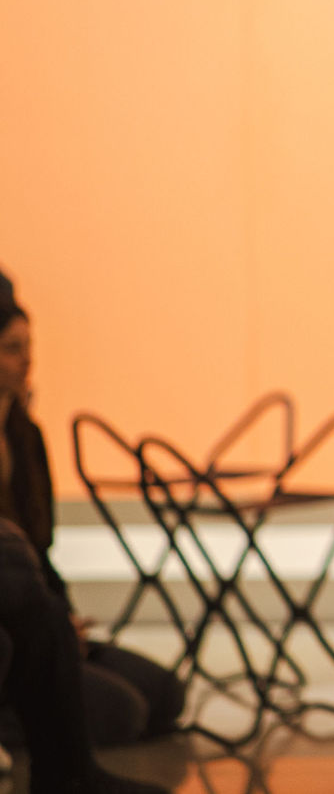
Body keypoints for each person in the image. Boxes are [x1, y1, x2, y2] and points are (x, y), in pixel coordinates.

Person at [0, 276, 168, 794]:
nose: (27, 362)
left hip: (32, 607)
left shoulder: (26, 436)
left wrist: (67, 621)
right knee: (125, 712)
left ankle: (51, 690)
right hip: (13, 618)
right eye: (11, 349)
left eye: (29, 348)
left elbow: (42, 549)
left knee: (165, 695)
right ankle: (43, 747)